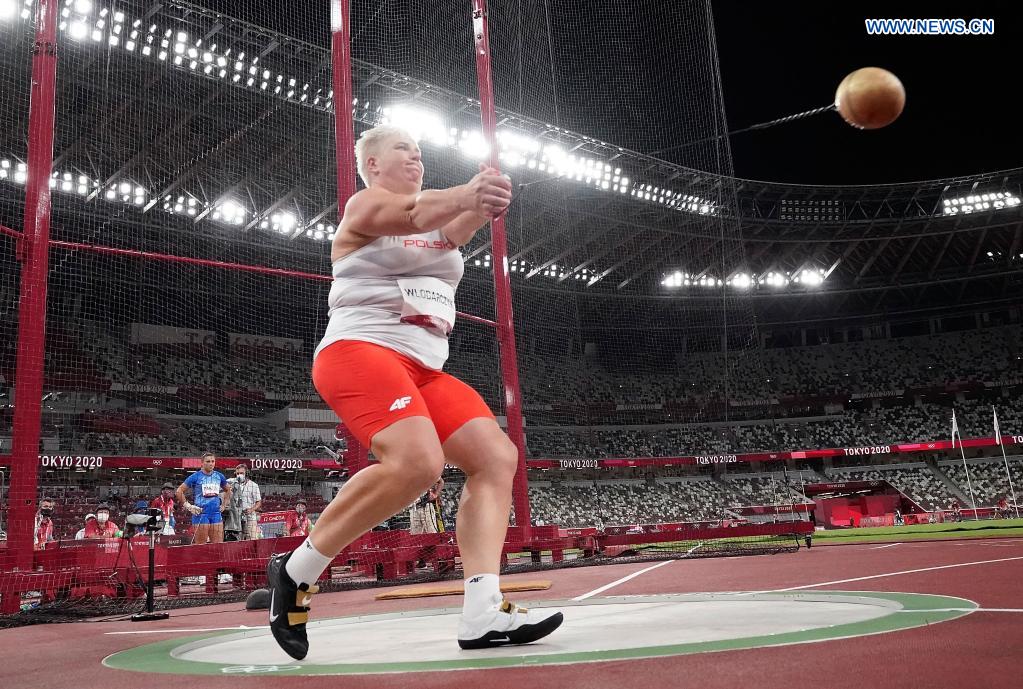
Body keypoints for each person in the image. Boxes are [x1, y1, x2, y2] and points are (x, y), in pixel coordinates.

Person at [266, 125, 562, 660]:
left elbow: (452, 229)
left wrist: (486, 201)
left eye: (421, 152)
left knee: (496, 457)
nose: (416, 157)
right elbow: (413, 215)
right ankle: (296, 570)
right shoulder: (363, 207)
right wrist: (468, 193)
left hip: (424, 368)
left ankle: (482, 609)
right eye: (404, 149)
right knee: (418, 463)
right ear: (372, 165)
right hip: (360, 351)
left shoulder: (434, 219)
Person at [176, 451, 231, 544]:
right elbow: (179, 491)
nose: (211, 464)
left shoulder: (219, 476)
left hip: (216, 514)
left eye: (213, 461)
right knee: (201, 546)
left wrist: (224, 505)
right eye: (208, 461)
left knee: (218, 545)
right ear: (202, 463)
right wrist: (188, 506)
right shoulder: (195, 476)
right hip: (201, 514)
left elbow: (228, 489)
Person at [232, 464, 262, 540]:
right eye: (238, 473)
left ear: (246, 473)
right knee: (238, 539)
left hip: (250, 517)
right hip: (236, 517)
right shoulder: (233, 484)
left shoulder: (253, 485)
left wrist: (251, 509)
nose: (239, 475)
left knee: (253, 538)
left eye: (241, 473)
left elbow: (258, 502)